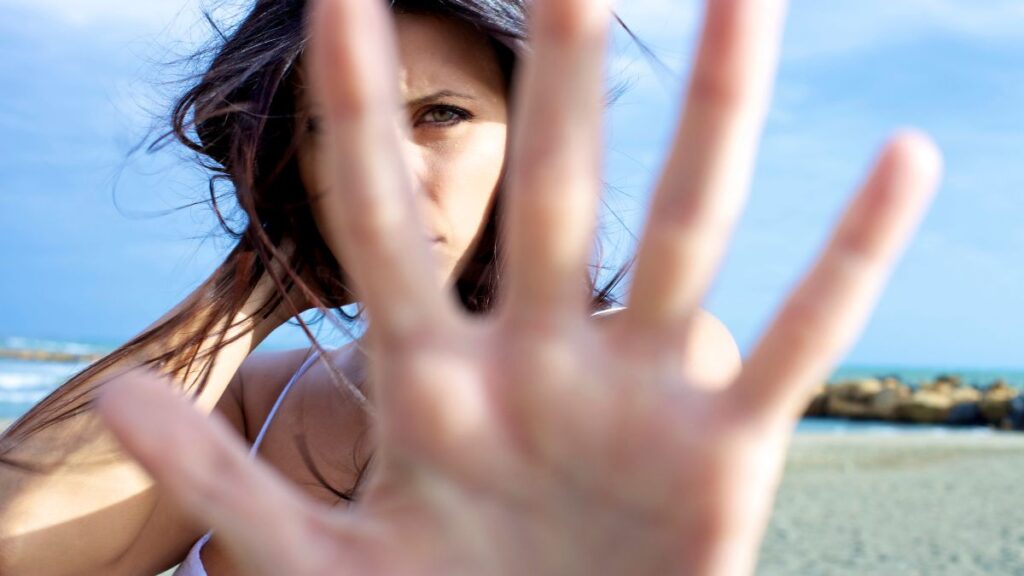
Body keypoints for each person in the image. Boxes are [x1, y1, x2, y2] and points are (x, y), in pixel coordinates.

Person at [0, 0, 942, 574]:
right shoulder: (257, 389)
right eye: (328, 127)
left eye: (440, 115)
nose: (383, 170)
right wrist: (254, 278)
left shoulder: (631, 361)